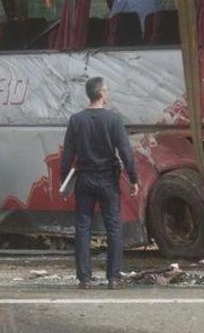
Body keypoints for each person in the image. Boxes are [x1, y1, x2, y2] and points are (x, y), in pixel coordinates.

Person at [60, 77, 140, 290]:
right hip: (107, 180)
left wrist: (64, 183)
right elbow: (125, 152)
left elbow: (67, 155)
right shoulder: (113, 120)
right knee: (113, 227)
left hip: (84, 179)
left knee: (83, 228)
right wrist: (134, 179)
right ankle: (113, 277)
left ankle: (84, 278)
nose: (109, 92)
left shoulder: (76, 120)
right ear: (102, 93)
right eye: (107, 89)